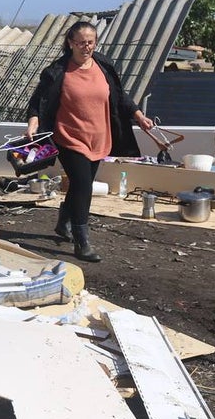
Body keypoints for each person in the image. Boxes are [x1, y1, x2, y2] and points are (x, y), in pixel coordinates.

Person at [24, 21, 153, 262]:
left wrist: (139, 116)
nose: (87, 47)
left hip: (99, 137)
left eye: (91, 42)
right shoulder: (57, 71)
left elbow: (120, 96)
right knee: (84, 185)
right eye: (81, 42)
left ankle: (64, 222)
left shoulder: (104, 66)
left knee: (80, 184)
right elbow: (37, 102)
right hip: (68, 137)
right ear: (70, 43)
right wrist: (33, 122)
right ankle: (82, 241)